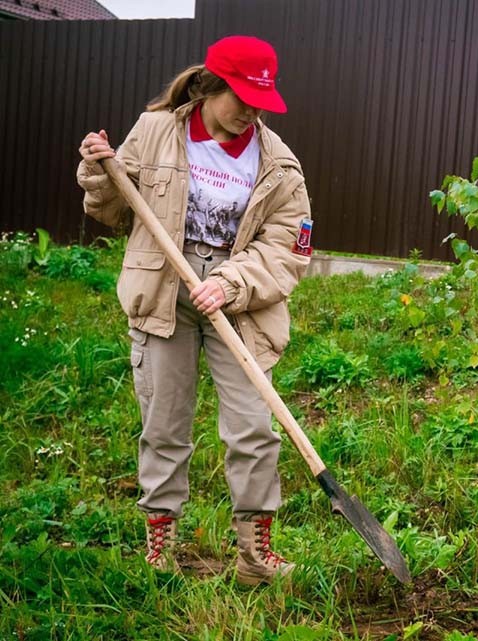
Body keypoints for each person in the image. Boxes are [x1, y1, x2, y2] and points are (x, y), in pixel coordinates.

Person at [76, 35, 314, 585]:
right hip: (163, 294)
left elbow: (288, 247)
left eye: (261, 99)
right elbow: (113, 212)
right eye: (241, 96)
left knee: (255, 427)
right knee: (164, 423)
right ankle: (161, 547)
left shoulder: (279, 163)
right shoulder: (156, 131)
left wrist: (230, 282)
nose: (251, 111)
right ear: (210, 85)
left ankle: (256, 556)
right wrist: (99, 171)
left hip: (241, 304)